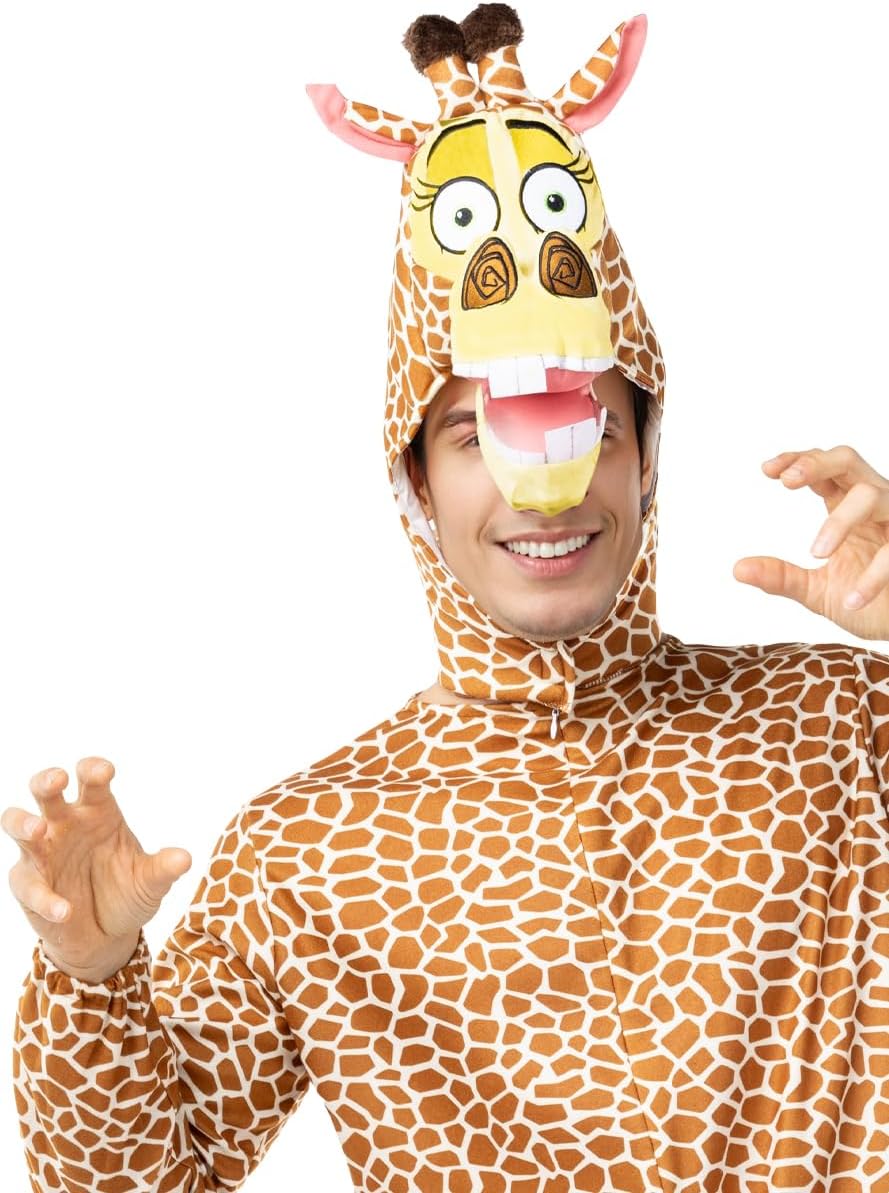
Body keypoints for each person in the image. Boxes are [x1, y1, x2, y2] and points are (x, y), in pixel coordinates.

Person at [7, 5, 889, 1192]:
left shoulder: (841, 727)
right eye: (476, 434)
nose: (543, 485)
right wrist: (92, 980)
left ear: (645, 451)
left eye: (587, 421)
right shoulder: (308, 849)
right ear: (415, 476)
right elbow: (141, 1181)